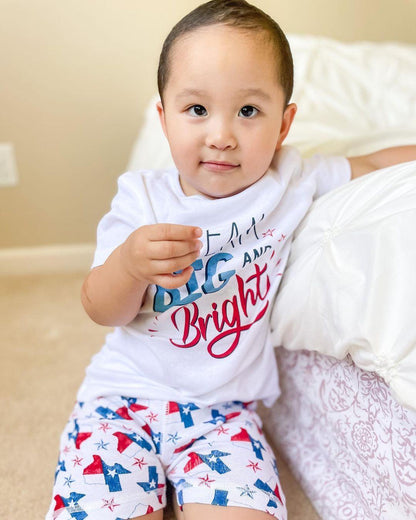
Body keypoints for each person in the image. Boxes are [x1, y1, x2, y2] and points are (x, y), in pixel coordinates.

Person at [45, 1, 416, 519]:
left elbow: (374, 162)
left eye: (248, 111)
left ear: (284, 124)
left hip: (223, 413)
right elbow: (99, 307)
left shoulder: (290, 179)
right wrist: (129, 266)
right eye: (197, 110)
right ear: (165, 119)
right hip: (122, 401)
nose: (221, 134)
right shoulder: (143, 199)